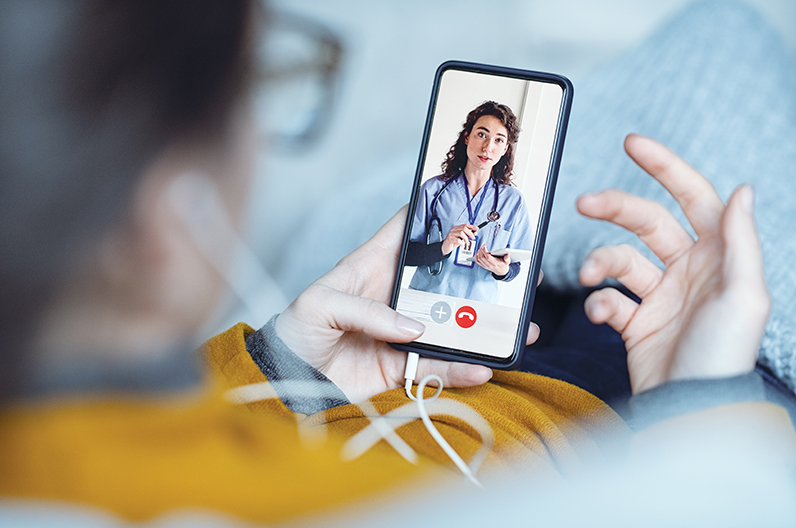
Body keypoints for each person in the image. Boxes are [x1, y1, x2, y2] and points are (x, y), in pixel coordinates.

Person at [0, 0, 794, 526]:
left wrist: (277, 368)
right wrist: (707, 408)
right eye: (256, 92)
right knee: (722, 44)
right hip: (622, 418)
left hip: (422, 360)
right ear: (164, 216)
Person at [405, 101, 534, 303]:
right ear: (467, 137)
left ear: (505, 149)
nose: (488, 147)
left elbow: (515, 267)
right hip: (426, 299)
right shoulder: (433, 190)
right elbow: (405, 253)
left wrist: (501, 269)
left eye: (499, 140)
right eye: (482, 134)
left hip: (477, 307)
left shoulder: (513, 202)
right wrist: (444, 246)